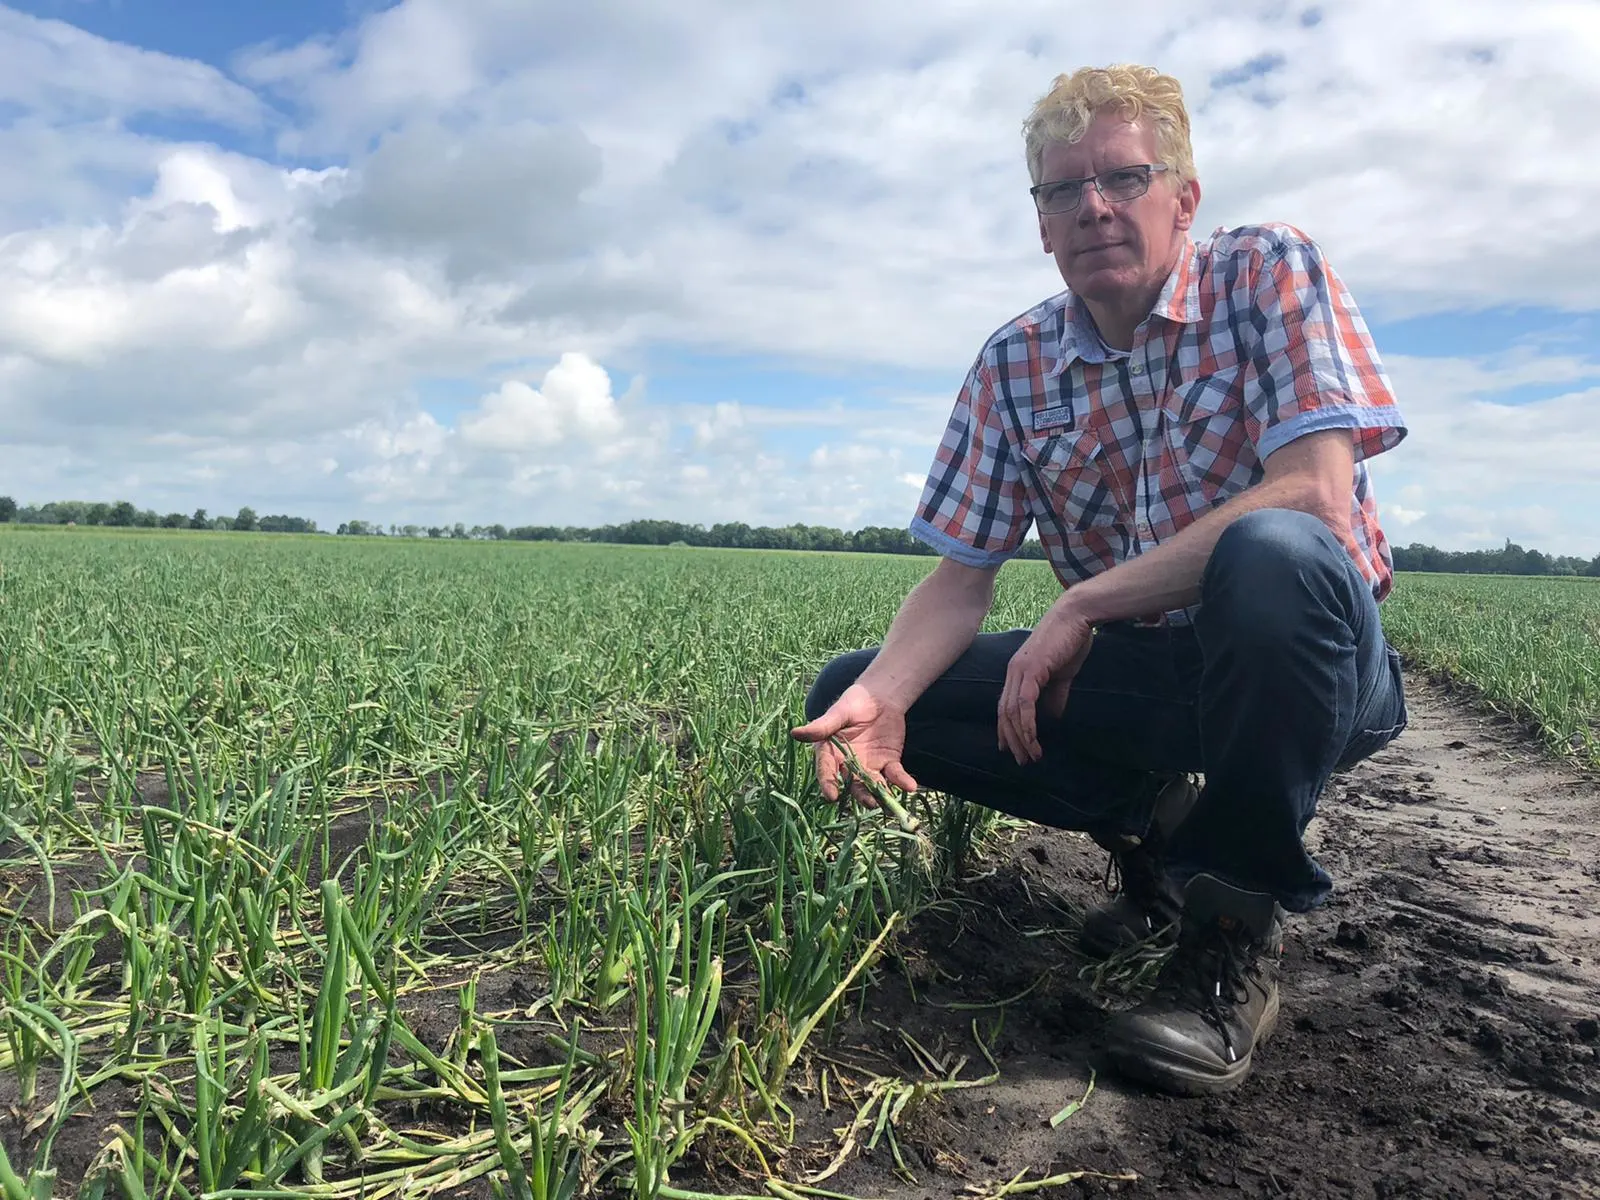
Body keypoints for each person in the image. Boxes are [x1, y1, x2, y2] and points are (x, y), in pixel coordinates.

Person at [792, 63, 1409, 1096]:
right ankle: (1155, 836)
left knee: (1268, 555)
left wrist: (1080, 602)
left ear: (1182, 197)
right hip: (1149, 679)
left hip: (1311, 662)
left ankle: (1227, 934)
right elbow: (960, 580)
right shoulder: (1014, 364)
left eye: (1122, 179)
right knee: (851, 691)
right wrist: (881, 700)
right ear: (1039, 223)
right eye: (1061, 190)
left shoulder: (1266, 273)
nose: (1093, 208)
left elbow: (1312, 497)